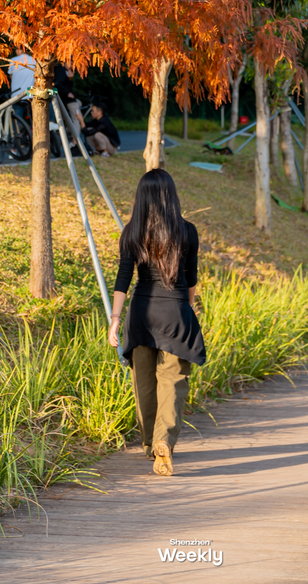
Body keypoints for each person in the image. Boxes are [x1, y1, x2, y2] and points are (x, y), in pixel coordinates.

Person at [108, 169, 206, 477]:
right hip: (176, 312)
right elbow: (191, 277)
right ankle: (164, 441)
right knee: (173, 382)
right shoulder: (187, 231)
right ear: (172, 196)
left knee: (144, 383)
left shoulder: (132, 232)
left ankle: (151, 442)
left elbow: (123, 279)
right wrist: (187, 310)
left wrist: (114, 319)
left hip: (141, 313)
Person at [53, 63, 85, 131]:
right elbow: (58, 83)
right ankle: (74, 141)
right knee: (77, 118)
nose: (71, 64)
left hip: (68, 98)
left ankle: (69, 129)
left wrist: (70, 78)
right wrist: (67, 93)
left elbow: (69, 85)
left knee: (79, 103)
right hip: (67, 99)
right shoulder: (60, 69)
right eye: (69, 62)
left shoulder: (67, 71)